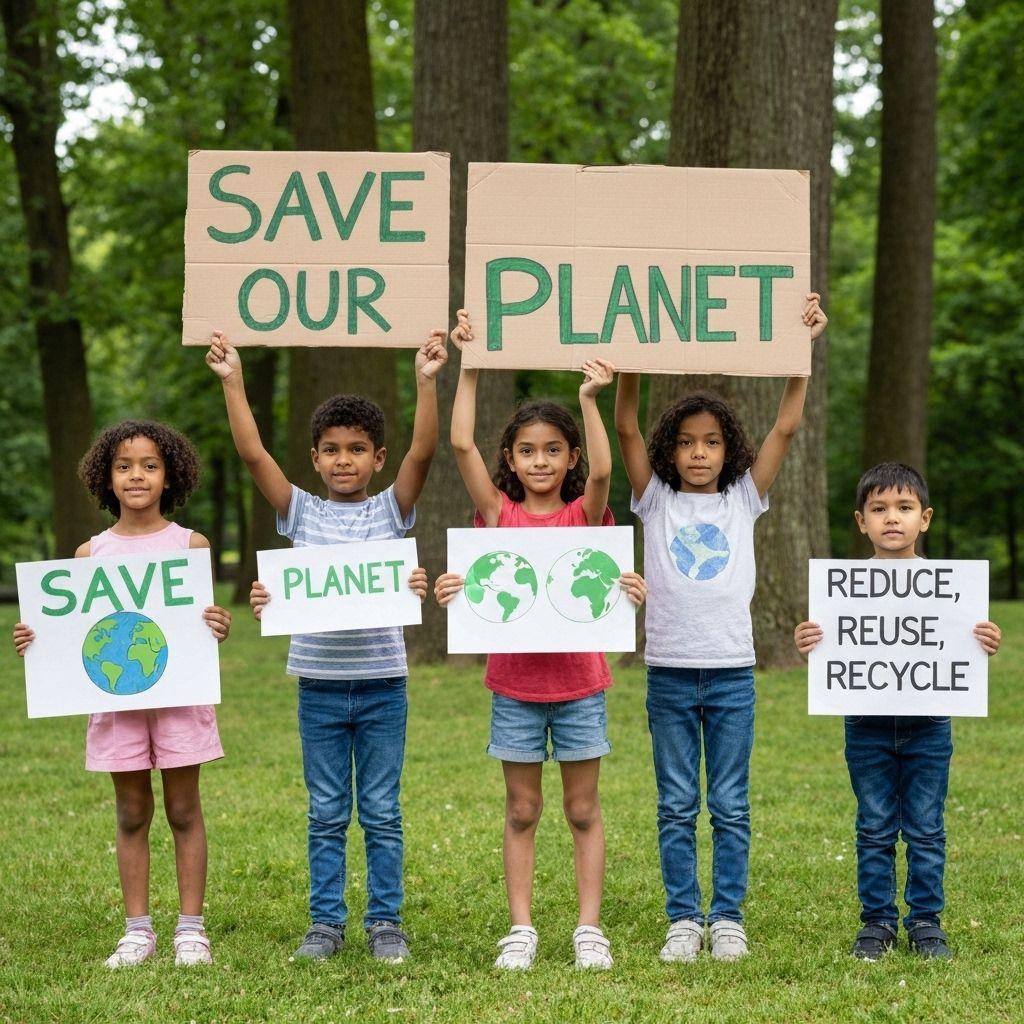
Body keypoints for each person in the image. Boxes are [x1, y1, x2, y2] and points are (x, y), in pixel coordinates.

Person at [206, 330, 442, 964]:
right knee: (328, 810)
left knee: (383, 810)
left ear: (377, 457)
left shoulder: (392, 512)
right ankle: (326, 924)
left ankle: (386, 922)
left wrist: (424, 379)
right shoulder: (300, 514)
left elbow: (424, 451)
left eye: (358, 450)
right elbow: (253, 454)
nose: (344, 460)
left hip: (384, 686)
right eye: (332, 450)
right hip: (318, 687)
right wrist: (234, 381)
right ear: (314, 458)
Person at [614, 293, 828, 963]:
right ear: (669, 450)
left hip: (732, 673)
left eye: (710, 442)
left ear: (727, 447)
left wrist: (803, 354)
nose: (698, 452)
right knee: (677, 803)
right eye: (686, 442)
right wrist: (630, 361)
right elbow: (623, 426)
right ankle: (684, 917)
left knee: (730, 803)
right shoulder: (653, 499)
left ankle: (726, 916)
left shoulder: (744, 497)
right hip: (670, 675)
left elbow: (786, 429)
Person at [434, 309, 648, 972]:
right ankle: (521, 928)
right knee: (522, 809)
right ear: (511, 460)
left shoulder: (588, 515)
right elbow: (462, 445)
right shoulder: (498, 515)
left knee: (583, 809)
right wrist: (469, 365)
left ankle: (589, 929)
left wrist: (590, 399)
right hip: (516, 688)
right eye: (527, 451)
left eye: (553, 450)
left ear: (570, 457)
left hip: (581, 685)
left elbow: (609, 472)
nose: (540, 461)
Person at [13, 421, 232, 968]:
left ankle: (190, 929)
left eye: (150, 466)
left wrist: (217, 623)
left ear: (169, 475)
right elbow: (72, 633)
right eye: (125, 466)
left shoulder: (190, 545)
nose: (137, 475)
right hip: (115, 702)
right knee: (132, 811)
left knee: (184, 809)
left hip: (180, 700)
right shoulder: (90, 554)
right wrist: (35, 638)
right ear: (106, 478)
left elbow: (199, 627)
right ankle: (138, 931)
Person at [794, 462, 1001, 960]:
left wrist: (983, 642)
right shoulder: (843, 590)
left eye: (905, 508)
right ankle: (878, 922)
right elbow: (833, 648)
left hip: (930, 726)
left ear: (924, 518)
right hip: (866, 727)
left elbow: (960, 643)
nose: (892, 518)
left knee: (927, 828)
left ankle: (926, 922)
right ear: (861, 521)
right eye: (879, 509)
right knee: (874, 827)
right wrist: (810, 642)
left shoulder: (950, 588)